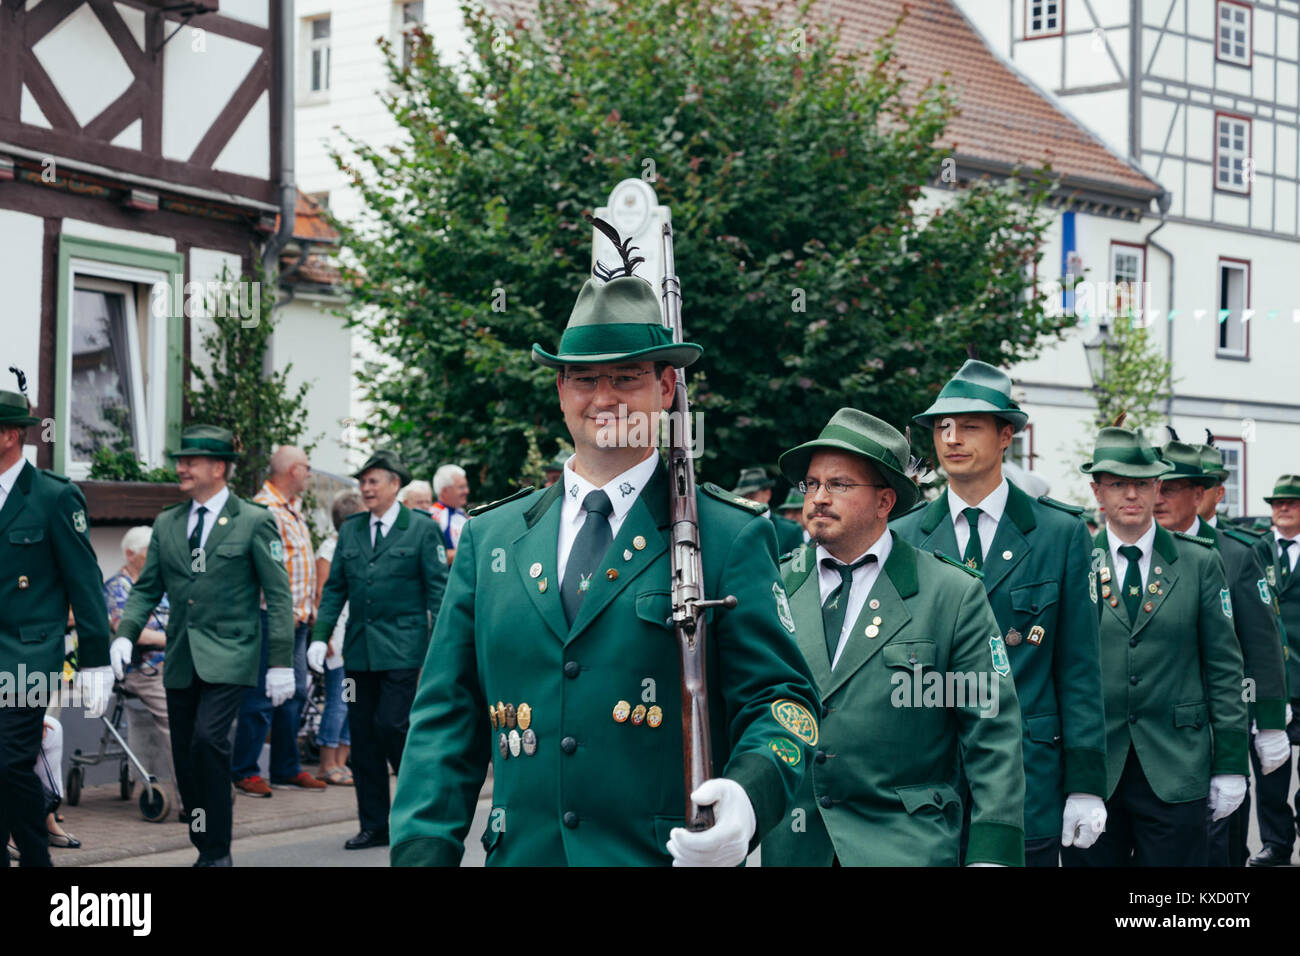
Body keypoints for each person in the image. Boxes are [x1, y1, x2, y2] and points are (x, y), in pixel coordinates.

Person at [387, 253, 820, 866]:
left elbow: (783, 702)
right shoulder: (493, 539)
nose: (604, 397)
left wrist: (748, 799)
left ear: (666, 388)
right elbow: (445, 720)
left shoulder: (727, 535)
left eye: (627, 377)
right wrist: (422, 853)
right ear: (562, 390)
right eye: (586, 379)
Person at [762, 408, 1025, 866]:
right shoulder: (774, 587)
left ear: (885, 501)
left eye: (839, 485)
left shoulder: (951, 594)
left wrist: (992, 854)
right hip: (793, 846)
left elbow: (992, 731)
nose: (819, 498)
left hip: (903, 846)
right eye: (812, 484)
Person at [891, 360, 1106, 867]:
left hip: (1025, 775)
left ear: (1005, 434)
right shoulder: (905, 535)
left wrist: (1085, 785)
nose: (952, 438)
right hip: (926, 779)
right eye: (943, 427)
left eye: (970, 426)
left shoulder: (1059, 535)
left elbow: (1078, 668)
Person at [1062, 425, 1247, 867]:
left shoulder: (1199, 561)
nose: (1131, 495)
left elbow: (1224, 667)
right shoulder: (1074, 561)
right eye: (1118, 483)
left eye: (1142, 483)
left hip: (1176, 764)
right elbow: (1062, 668)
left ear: (1157, 487)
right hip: (1094, 767)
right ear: (1097, 490)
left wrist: (1231, 763)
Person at [111, 424, 295, 867]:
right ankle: (204, 841)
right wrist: (124, 634)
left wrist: (280, 662)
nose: (182, 467)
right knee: (187, 760)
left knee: (210, 743)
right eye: (181, 460)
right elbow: (146, 589)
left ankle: (218, 854)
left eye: (190, 461)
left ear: (219, 467)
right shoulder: (169, 522)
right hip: (180, 660)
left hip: (231, 655)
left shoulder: (254, 520)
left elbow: (280, 593)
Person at [1153, 438, 1288, 867]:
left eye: (1170, 488)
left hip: (1214, 722)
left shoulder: (1234, 553)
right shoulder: (1124, 552)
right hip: (1146, 727)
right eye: (1153, 485)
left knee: (1217, 844)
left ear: (1200, 493)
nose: (1156, 498)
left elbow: (1261, 642)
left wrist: (1268, 721)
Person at [308, 450, 448, 850]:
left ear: (395, 485)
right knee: (364, 738)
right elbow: (335, 587)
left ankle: (418, 814)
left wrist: (442, 649)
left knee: (393, 725)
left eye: (373, 482)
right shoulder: (351, 531)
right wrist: (320, 636)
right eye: (362, 482)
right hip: (360, 651)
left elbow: (438, 592)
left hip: (404, 648)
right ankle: (375, 825)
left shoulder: (421, 529)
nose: (365, 489)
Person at [0, 371, 112, 868]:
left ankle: (37, 854)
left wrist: (96, 663)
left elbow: (85, 584)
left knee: (8, 762)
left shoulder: (53, 496)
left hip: (26, 654)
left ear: (8, 435)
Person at [231, 446, 325, 795]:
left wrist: (309, 605)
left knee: (295, 694)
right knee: (260, 696)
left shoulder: (293, 510)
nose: (310, 475)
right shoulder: (264, 510)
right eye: (307, 468)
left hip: (296, 619)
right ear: (292, 471)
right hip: (269, 617)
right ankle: (244, 770)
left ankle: (287, 768)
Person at [104, 525, 178, 813]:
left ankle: (207, 785)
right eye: (150, 552)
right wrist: (174, 639)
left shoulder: (161, 583)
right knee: (177, 720)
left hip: (172, 664)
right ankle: (192, 799)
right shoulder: (117, 587)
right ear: (130, 554)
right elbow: (132, 632)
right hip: (141, 670)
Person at [1246, 474, 1300, 866]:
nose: (1282, 508)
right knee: (1270, 771)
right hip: (1270, 680)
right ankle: (1276, 844)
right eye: (1277, 502)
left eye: (1291, 502)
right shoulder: (1257, 548)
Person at [313, 489, 365, 785]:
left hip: (355, 635)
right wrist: (326, 633)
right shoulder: (329, 550)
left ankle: (343, 761)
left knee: (352, 699)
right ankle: (326, 762)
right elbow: (323, 593)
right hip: (339, 632)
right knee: (339, 699)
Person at [733, 465, 803, 555]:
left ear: (767, 494)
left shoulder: (790, 530)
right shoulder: (735, 528)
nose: (747, 501)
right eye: (743, 497)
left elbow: (799, 566)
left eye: (752, 496)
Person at [430, 464, 470, 562]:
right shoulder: (435, 515)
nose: (467, 491)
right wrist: (472, 551)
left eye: (466, 486)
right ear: (444, 491)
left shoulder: (461, 513)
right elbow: (433, 555)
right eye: (461, 487)